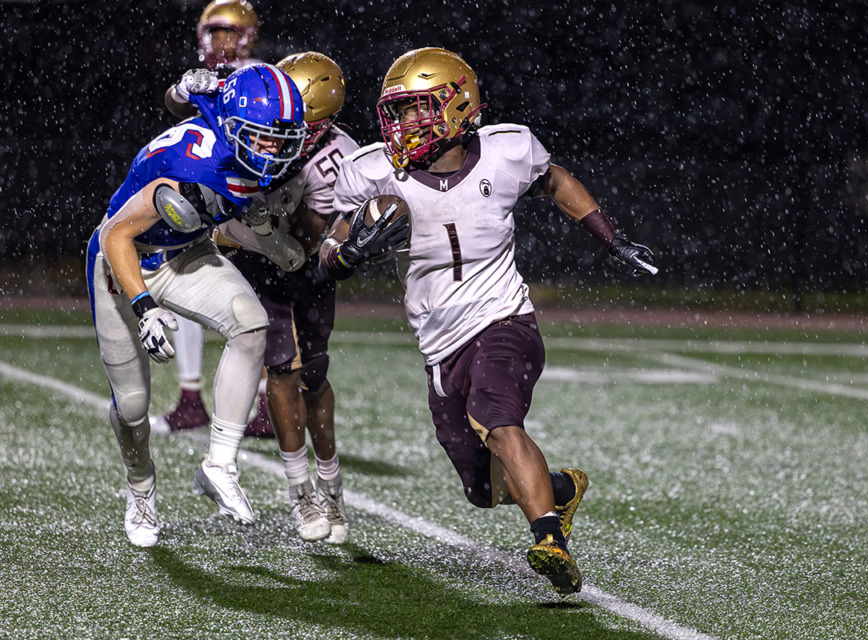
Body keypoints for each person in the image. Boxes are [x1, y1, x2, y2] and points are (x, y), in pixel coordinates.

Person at [325, 47, 657, 595]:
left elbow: (554, 180)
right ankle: (557, 490)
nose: (405, 123)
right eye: (399, 111)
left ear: (459, 106)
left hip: (504, 320)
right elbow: (329, 249)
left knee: (495, 417)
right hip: (438, 344)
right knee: (481, 490)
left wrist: (611, 237)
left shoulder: (507, 150)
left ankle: (550, 539)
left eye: (418, 108)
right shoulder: (373, 171)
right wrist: (345, 255)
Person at [86, 63, 307, 548]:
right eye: (262, 137)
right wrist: (144, 307)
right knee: (133, 405)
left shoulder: (242, 145)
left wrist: (265, 239)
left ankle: (220, 464)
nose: (273, 150)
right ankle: (141, 488)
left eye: (281, 138)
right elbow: (116, 233)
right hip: (125, 259)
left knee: (252, 325)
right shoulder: (192, 163)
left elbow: (218, 214)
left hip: (186, 249)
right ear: (234, 127)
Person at [211, 52, 360, 543]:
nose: (285, 134)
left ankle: (330, 480)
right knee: (283, 368)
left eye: (302, 123)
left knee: (315, 375)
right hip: (255, 261)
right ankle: (300, 489)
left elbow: (312, 243)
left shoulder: (333, 158)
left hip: (303, 263)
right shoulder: (248, 123)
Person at [153, 0, 273, 438]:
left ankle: (264, 402)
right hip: (209, 193)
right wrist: (185, 90)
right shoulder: (205, 74)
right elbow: (173, 103)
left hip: (249, 194)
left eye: (229, 33)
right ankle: (190, 398)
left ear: (247, 36)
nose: (221, 42)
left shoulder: (259, 74)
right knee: (187, 285)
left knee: (257, 298)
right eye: (215, 33)